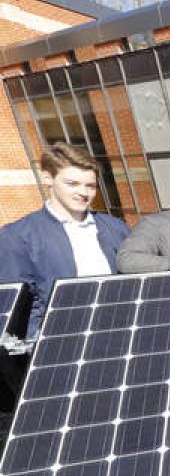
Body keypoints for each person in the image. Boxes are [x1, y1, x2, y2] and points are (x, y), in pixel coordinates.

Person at [0, 143, 130, 340]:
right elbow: (18, 308)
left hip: (118, 332)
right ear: (47, 177)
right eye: (72, 184)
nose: (84, 192)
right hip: (59, 344)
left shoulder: (115, 228)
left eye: (90, 185)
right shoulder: (18, 236)